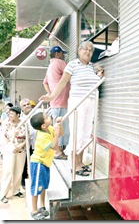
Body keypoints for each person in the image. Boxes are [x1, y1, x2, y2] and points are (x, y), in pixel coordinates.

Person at [40, 41, 104, 176]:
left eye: (90, 50)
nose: (87, 52)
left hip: (91, 101)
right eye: (85, 49)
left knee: (86, 133)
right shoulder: (72, 64)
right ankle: (74, 164)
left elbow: (95, 83)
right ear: (79, 51)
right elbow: (62, 82)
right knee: (77, 132)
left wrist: (100, 76)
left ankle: (80, 162)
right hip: (78, 101)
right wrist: (51, 97)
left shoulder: (92, 67)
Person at [29, 112, 63, 220]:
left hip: (45, 163)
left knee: (43, 186)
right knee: (36, 187)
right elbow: (54, 146)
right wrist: (56, 134)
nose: (49, 117)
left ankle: (42, 206)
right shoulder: (42, 136)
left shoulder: (49, 129)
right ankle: (34, 210)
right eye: (47, 117)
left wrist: (59, 126)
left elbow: (61, 133)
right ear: (43, 125)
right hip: (38, 163)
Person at [43, 45, 70, 160]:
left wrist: (50, 95)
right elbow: (70, 74)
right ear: (58, 53)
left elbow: (45, 83)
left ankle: (59, 150)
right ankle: (58, 152)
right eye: (62, 53)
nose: (64, 55)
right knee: (60, 128)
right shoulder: (59, 62)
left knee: (58, 127)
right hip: (61, 101)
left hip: (55, 101)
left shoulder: (50, 65)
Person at [0, 107, 26, 204]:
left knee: (18, 171)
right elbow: (4, 137)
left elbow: (27, 136)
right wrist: (12, 145)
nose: (10, 115)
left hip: (21, 149)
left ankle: (16, 190)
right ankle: (3, 194)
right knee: (8, 171)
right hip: (9, 149)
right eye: (9, 114)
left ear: (18, 114)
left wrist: (20, 146)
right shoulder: (6, 123)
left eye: (12, 114)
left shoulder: (24, 122)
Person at [19, 98, 37, 189]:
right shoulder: (20, 117)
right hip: (25, 143)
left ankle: (34, 179)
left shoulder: (36, 113)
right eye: (24, 105)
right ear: (21, 108)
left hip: (36, 142)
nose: (27, 106)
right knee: (24, 163)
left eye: (28, 104)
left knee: (34, 162)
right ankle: (23, 181)